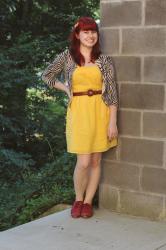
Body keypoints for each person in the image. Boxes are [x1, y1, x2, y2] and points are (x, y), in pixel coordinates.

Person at [42, 16, 119, 219]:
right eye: (86, 32)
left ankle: (87, 202)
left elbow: (112, 93)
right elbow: (47, 76)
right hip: (79, 112)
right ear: (77, 35)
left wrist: (112, 122)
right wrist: (66, 89)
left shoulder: (104, 60)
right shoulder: (68, 57)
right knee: (83, 162)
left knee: (95, 161)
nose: (90, 36)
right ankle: (78, 198)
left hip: (100, 111)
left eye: (93, 31)